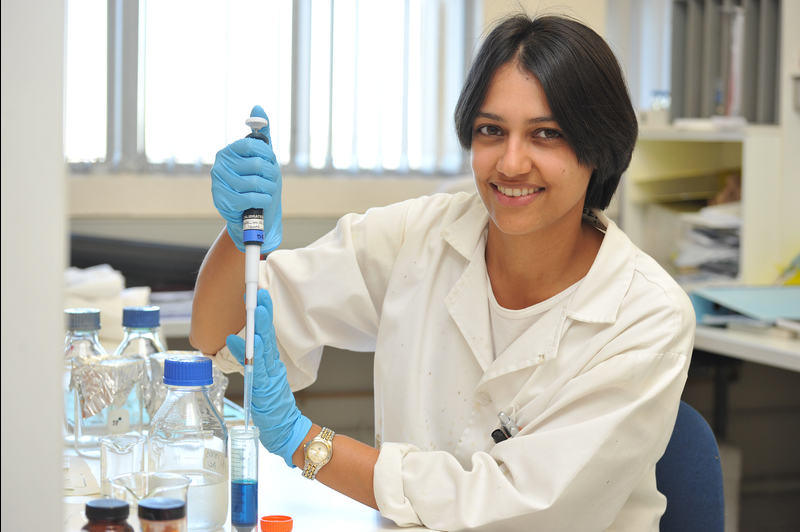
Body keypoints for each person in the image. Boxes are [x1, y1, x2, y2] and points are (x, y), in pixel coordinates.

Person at [191, 13, 695, 531]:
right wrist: (239, 237)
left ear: (599, 148)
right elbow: (216, 333)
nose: (512, 162)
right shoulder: (420, 236)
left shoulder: (646, 316)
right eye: (491, 131)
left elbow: (509, 507)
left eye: (546, 134)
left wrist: (305, 442)